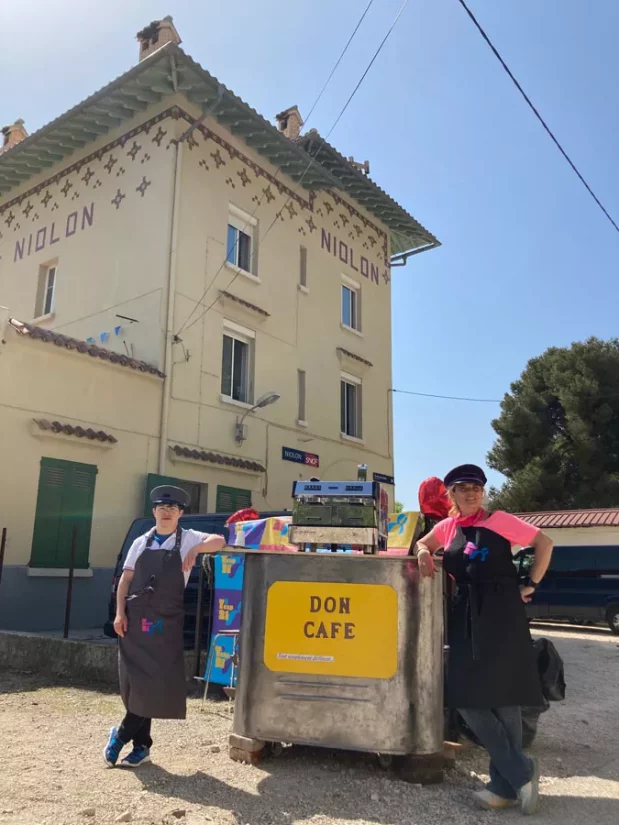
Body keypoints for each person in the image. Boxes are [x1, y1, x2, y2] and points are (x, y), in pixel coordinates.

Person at [416, 464, 553, 815]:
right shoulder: (447, 527)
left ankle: (502, 786)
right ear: (452, 495)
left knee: (504, 698)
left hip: (502, 615)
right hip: (465, 615)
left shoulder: (500, 520)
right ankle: (521, 771)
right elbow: (422, 543)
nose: (471, 492)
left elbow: (544, 542)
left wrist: (532, 584)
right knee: (466, 698)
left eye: (476, 487)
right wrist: (421, 552)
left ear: (483, 492)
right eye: (463, 488)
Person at [103, 485, 225, 768]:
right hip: (135, 619)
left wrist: (196, 548)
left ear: (180, 513)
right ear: (154, 511)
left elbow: (220, 541)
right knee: (136, 682)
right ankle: (142, 746)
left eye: (173, 509)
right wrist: (119, 614)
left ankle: (120, 736)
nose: (167, 512)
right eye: (162, 508)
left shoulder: (188, 537)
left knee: (154, 681)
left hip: (163, 622)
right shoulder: (140, 542)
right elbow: (125, 581)